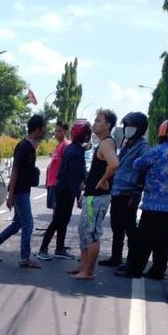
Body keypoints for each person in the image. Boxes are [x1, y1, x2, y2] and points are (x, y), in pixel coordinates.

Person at [116, 119, 168, 280]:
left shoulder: (155, 152)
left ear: (161, 133)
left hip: (152, 205)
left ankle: (134, 270)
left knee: (143, 241)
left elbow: (137, 164)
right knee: (164, 243)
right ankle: (157, 272)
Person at [0, 114, 46, 268]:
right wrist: (11, 195)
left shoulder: (30, 147)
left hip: (23, 191)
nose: (44, 131)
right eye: (43, 128)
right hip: (20, 192)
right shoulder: (23, 147)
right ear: (37, 129)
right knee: (28, 224)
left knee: (18, 223)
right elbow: (15, 171)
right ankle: (25, 258)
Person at [70, 108, 119, 280]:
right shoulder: (102, 143)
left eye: (98, 120)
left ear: (108, 125)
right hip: (91, 197)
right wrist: (86, 192)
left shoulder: (106, 143)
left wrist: (103, 180)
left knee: (91, 233)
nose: (95, 123)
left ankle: (88, 271)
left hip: (97, 199)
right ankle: (83, 266)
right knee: (84, 230)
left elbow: (114, 164)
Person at [99, 112, 150, 268]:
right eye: (126, 125)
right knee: (117, 227)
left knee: (129, 229)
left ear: (139, 128)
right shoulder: (127, 144)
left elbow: (144, 170)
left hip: (129, 193)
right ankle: (116, 257)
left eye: (131, 126)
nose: (128, 128)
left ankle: (132, 261)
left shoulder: (143, 147)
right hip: (117, 191)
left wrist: (137, 193)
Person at [37, 120, 91, 261]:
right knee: (58, 221)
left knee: (63, 220)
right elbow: (76, 175)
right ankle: (43, 249)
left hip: (63, 188)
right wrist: (79, 195)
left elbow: (79, 173)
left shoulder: (72, 148)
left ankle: (59, 248)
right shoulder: (76, 151)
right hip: (65, 190)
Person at [46, 121, 70, 210]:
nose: (56, 133)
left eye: (59, 131)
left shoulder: (66, 145)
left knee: (58, 210)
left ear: (65, 132)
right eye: (55, 131)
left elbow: (65, 166)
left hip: (57, 184)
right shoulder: (59, 145)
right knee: (55, 209)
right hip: (52, 183)